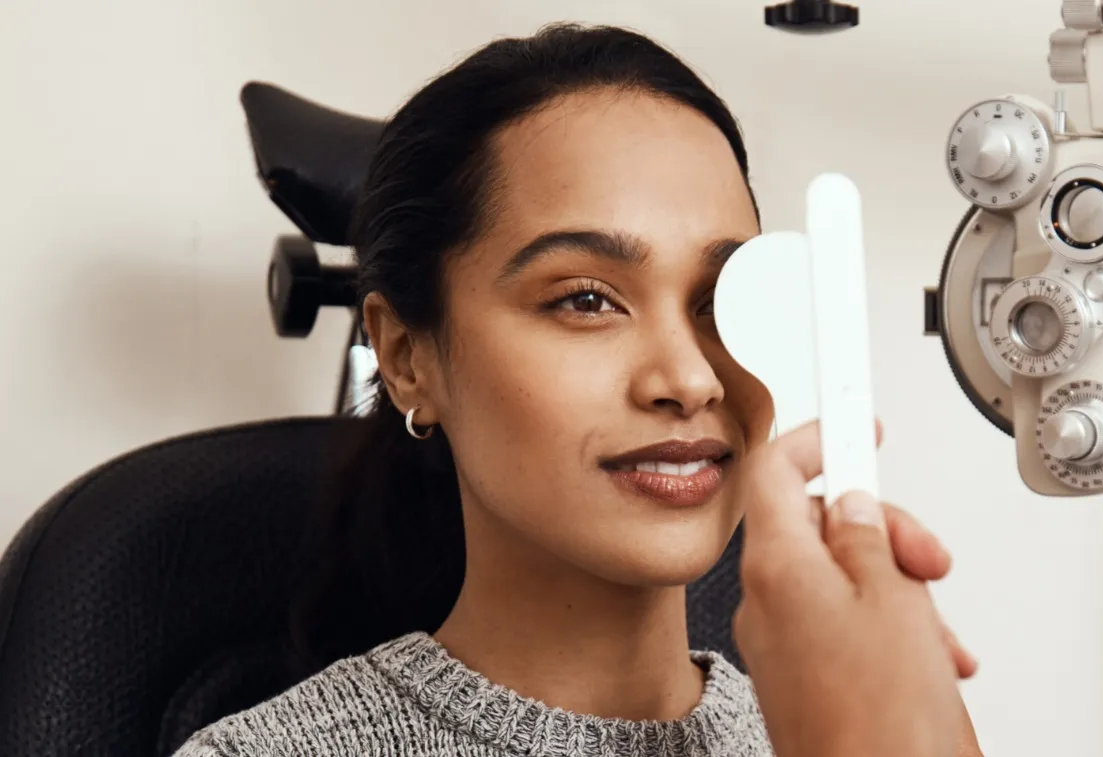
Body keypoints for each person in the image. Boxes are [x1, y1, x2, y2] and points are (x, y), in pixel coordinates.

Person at [175, 23, 982, 757]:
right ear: (405, 355)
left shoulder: (866, 722)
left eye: (720, 301)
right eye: (586, 299)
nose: (690, 378)